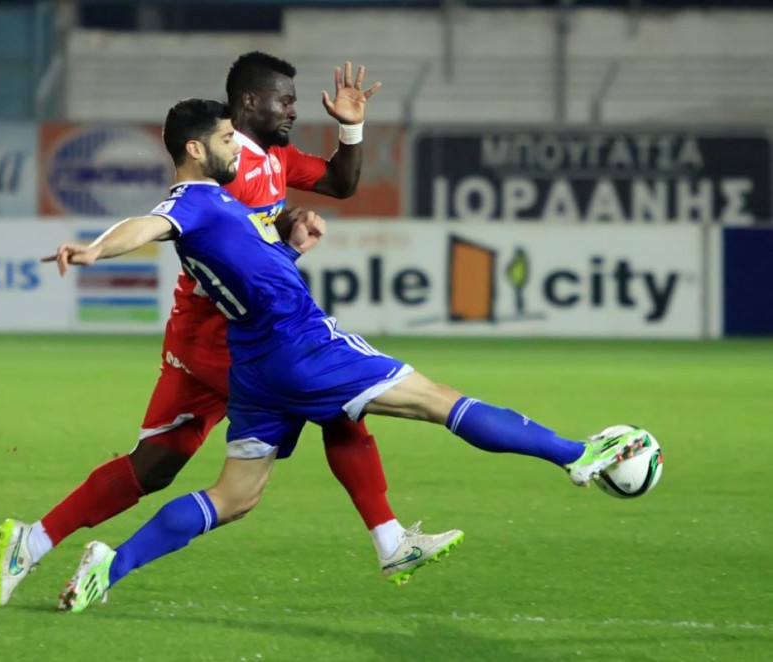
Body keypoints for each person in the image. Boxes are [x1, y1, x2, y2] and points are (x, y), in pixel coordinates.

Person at [45, 99, 650, 613]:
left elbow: (252, 266)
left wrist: (292, 249)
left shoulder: (224, 204)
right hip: (300, 342)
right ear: (197, 149)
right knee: (439, 402)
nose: (237, 146)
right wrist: (96, 249)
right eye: (227, 138)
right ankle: (579, 456)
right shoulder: (193, 201)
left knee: (234, 497)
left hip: (255, 364)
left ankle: (109, 565)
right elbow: (147, 226)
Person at [0, 53, 460, 607]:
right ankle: (389, 540)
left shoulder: (276, 158)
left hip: (214, 337)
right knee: (335, 401)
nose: (292, 109)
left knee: (157, 464)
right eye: (284, 100)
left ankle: (33, 539)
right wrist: (96, 247)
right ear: (248, 105)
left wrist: (344, 138)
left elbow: (338, 181)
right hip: (223, 337)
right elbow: (171, 220)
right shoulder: (221, 171)